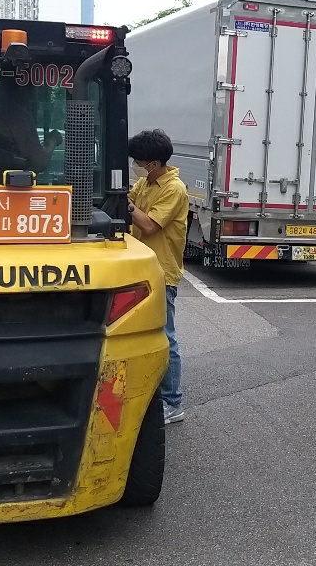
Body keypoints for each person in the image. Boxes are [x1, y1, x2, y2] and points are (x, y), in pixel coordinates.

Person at [127, 129, 190, 424]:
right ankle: (153, 393)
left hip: (161, 272)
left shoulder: (174, 188)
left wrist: (128, 205)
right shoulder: (146, 182)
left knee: (166, 337)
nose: (136, 167)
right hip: (142, 269)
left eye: (139, 162)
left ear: (153, 163)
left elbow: (150, 225)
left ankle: (174, 403)